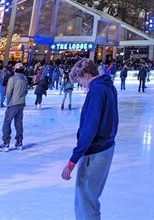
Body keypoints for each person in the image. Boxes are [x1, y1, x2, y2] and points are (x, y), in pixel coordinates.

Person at [61, 58, 118, 220]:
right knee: (88, 197)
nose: (79, 84)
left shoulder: (97, 90)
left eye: (79, 80)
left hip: (95, 150)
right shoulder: (108, 87)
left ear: (86, 75)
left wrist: (73, 160)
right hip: (105, 147)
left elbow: (90, 127)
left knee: (85, 199)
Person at [0, 62, 28, 152]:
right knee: (18, 123)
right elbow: (26, 91)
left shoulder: (13, 79)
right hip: (21, 103)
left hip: (13, 104)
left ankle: (6, 143)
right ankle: (19, 142)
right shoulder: (25, 79)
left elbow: (9, 92)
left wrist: (8, 103)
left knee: (7, 122)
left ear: (15, 69)